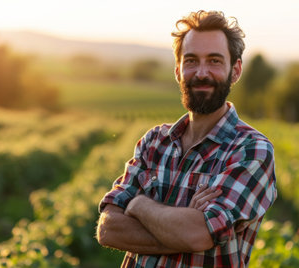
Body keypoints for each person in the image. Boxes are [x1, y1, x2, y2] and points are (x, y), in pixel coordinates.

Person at [96, 10, 277, 268]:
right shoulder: (154, 142)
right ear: (178, 71)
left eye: (214, 61)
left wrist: (138, 205)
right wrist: (184, 224)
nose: (201, 73)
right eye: (191, 61)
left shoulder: (251, 150)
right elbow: (109, 229)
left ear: (235, 71)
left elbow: (198, 234)